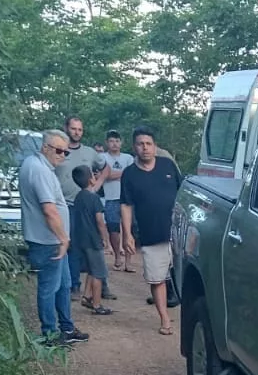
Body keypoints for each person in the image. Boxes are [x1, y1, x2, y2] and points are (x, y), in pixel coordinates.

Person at [19, 129, 88, 345]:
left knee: (64, 284)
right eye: (59, 151)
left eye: (66, 152)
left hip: (55, 240)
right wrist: (63, 238)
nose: (62, 156)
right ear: (45, 147)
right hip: (48, 240)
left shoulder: (41, 167)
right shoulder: (38, 170)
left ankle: (66, 328)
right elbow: (49, 209)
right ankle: (49, 333)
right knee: (49, 287)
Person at [119, 126, 182, 336]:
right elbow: (126, 205)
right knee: (157, 279)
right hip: (151, 235)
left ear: (155, 146)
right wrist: (127, 234)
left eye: (148, 144)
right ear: (134, 147)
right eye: (140, 144)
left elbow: (183, 195)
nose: (145, 148)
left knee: (185, 276)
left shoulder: (168, 166)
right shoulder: (129, 174)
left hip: (178, 234)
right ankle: (165, 318)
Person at [69, 165, 112, 317]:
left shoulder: (79, 196)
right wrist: (105, 239)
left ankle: (87, 296)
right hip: (93, 240)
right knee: (99, 273)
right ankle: (97, 304)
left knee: (91, 270)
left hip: (82, 239)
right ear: (91, 179)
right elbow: (100, 221)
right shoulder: (94, 198)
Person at [99, 130, 134, 276]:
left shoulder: (128, 158)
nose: (115, 144)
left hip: (127, 198)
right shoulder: (102, 158)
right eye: (112, 141)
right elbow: (103, 176)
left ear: (121, 142)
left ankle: (128, 261)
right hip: (110, 197)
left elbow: (132, 176)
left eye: (117, 141)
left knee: (128, 230)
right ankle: (117, 257)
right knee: (113, 229)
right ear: (107, 142)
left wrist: (111, 174)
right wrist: (122, 173)